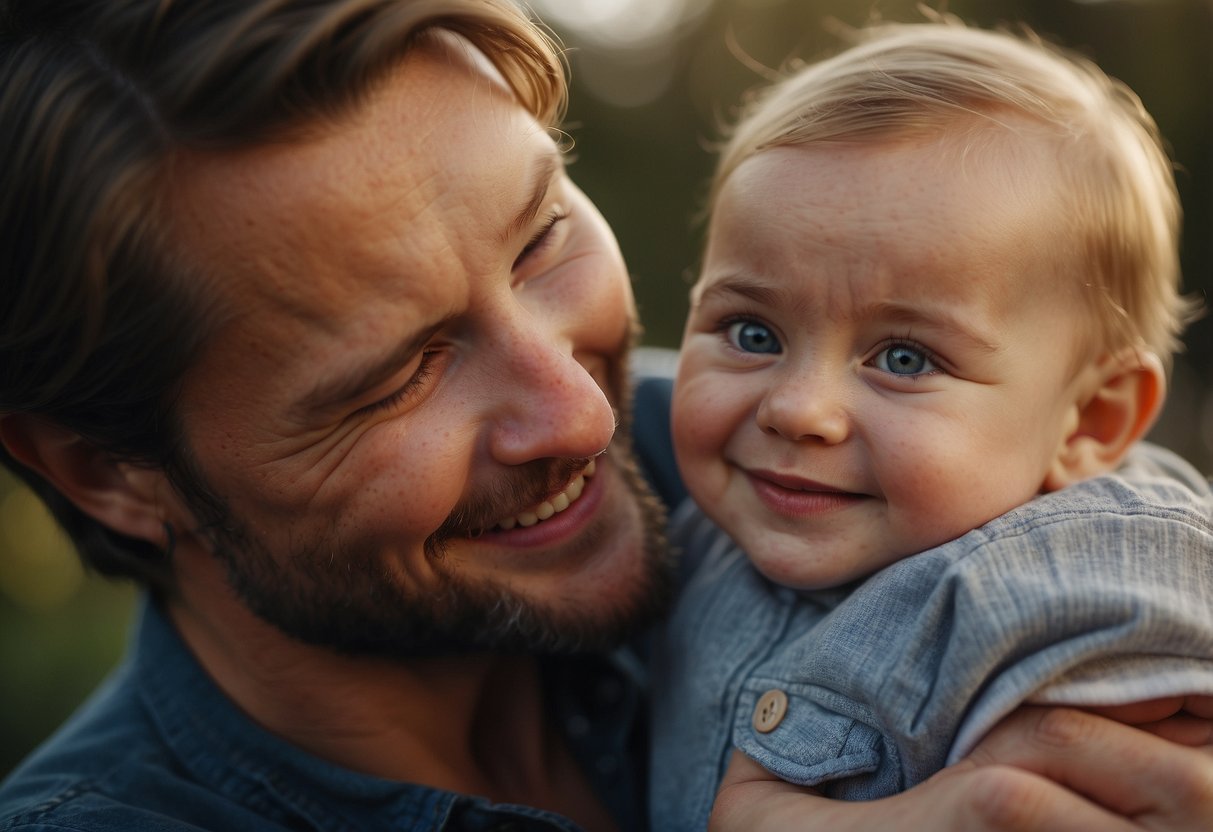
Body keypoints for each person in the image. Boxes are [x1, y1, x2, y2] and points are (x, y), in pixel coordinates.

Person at [0, 3, 1210, 831]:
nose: (586, 412)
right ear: (111, 473)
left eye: (543, 239)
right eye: (399, 374)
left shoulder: (774, 471)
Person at [651, 17, 1213, 832]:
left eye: (905, 359)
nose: (797, 409)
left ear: (1089, 419)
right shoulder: (686, 533)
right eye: (752, 334)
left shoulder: (1085, 585)